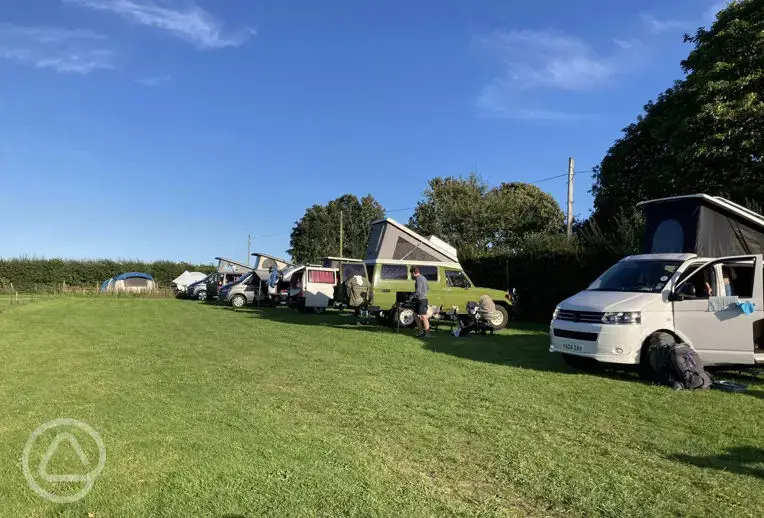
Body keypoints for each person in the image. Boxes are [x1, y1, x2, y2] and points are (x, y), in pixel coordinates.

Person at [410, 266, 430, 338]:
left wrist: (412, 296)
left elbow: (418, 290)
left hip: (421, 300)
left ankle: (427, 334)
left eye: (411, 274)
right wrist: (423, 293)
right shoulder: (423, 277)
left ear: (413, 273)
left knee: (423, 316)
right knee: (415, 315)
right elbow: (428, 288)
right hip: (421, 299)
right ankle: (421, 332)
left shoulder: (418, 278)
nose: (411, 276)